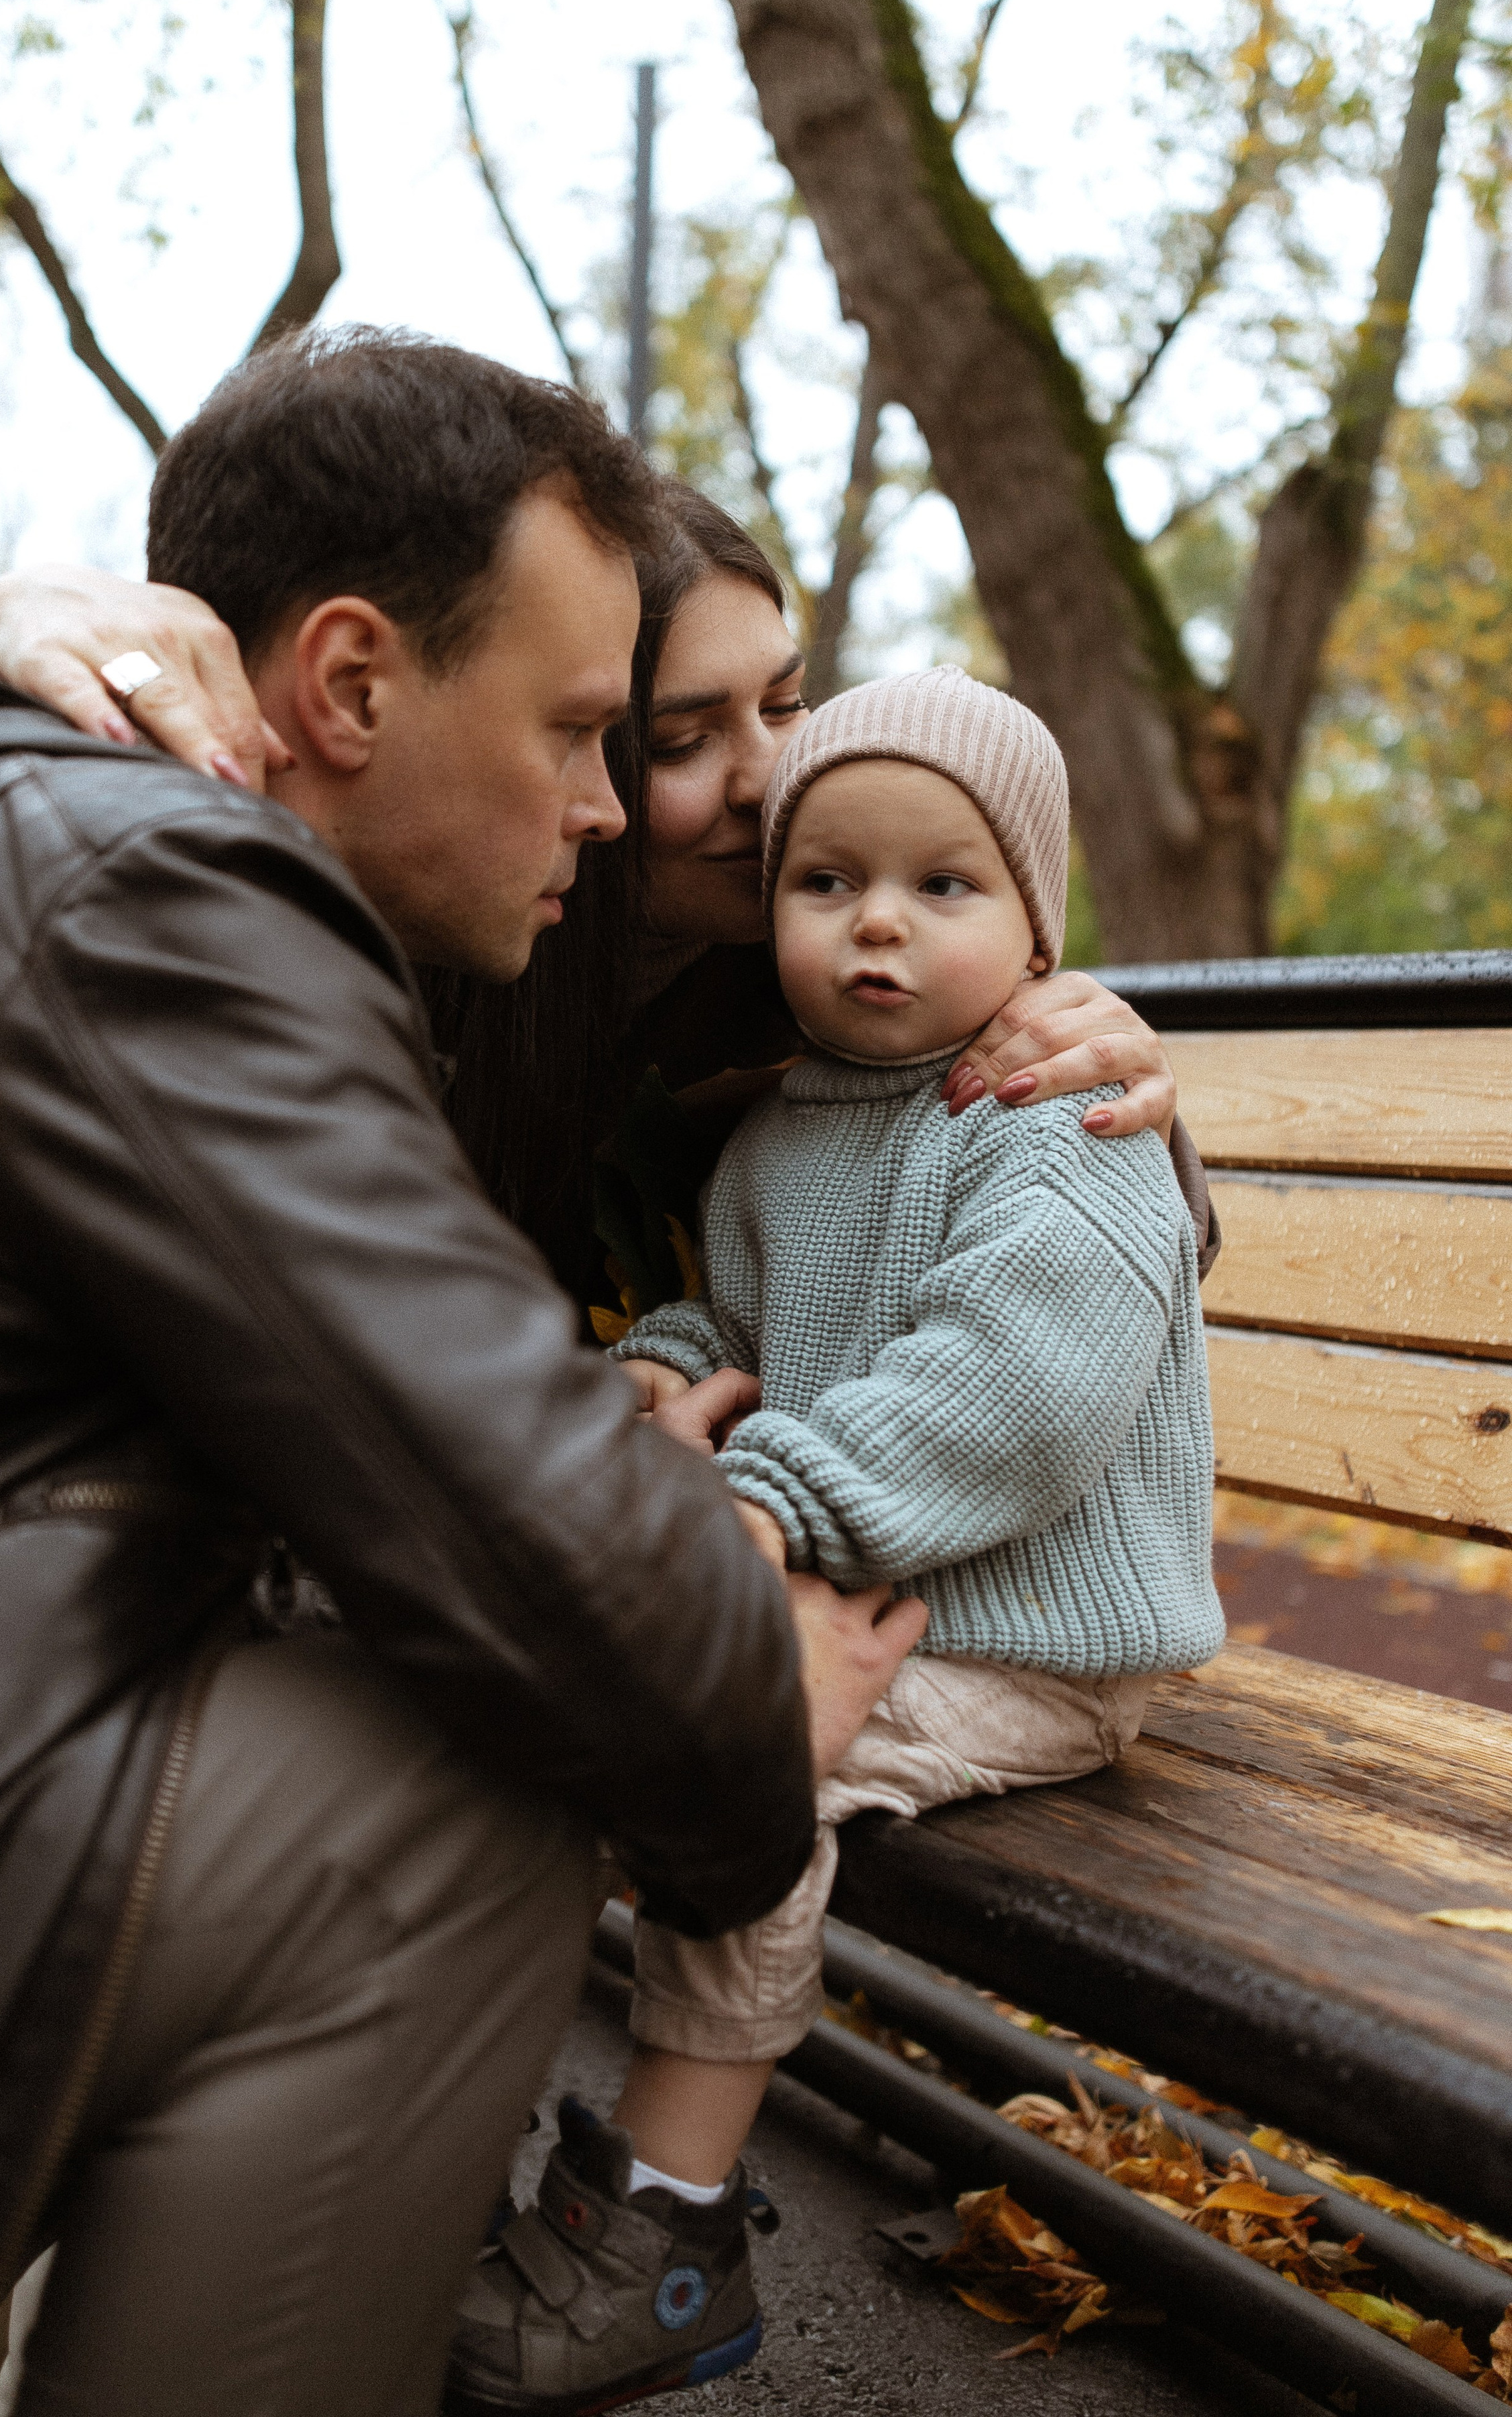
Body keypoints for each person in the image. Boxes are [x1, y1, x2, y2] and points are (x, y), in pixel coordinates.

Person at [0, 328, 930, 2417]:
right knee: (427, 1804)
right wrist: (750, 1693)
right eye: (594, 728)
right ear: (343, 683)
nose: (612, 801)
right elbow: (569, 1575)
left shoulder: (30, 823)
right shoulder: (175, 888)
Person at [443, 668, 1222, 2416]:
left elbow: (1020, 1392)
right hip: (874, 1580)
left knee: (745, 1760)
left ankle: (670, 2227)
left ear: (1037, 923)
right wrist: (663, 1379)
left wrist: (770, 1499)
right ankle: (486, 2153)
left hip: (1033, 1632)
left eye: (942, 888)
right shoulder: (782, 1130)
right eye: (827, 883)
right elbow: (737, 1323)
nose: (876, 925)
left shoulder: (1059, 1128)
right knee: (568, 1709)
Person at [0, 487, 1219, 1328]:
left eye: (783, 699)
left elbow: (1130, 1259)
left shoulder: (850, 958)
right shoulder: (438, 955)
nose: (773, 778)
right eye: (679, 739)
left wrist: (1107, 1077)